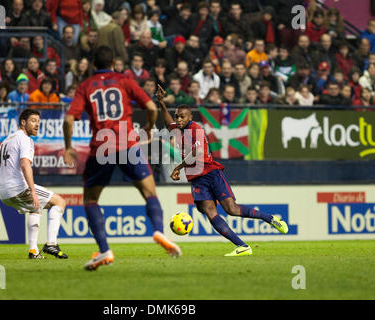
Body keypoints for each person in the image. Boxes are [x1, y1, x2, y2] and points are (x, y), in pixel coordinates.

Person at [63, 46, 181, 271]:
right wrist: (147, 125)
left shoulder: (85, 86)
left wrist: (68, 146)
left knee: (90, 199)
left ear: (94, 64)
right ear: (114, 61)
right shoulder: (124, 80)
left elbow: (69, 120)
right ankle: (158, 230)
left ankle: (104, 250)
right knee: (149, 193)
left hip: (101, 147)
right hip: (128, 144)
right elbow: (149, 106)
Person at [155, 84, 288, 256]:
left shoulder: (196, 130)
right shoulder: (179, 129)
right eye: (177, 117)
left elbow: (197, 153)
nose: (178, 120)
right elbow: (167, 123)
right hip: (197, 179)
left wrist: (178, 168)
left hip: (211, 174)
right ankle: (242, 246)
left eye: (182, 117)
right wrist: (161, 102)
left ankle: (270, 219)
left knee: (231, 209)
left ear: (190, 117)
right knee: (210, 213)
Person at [0, 108, 68, 260]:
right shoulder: (25, 139)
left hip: (2, 191)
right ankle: (51, 244)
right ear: (23, 122)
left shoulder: (7, 139)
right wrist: (33, 190)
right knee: (59, 202)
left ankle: (33, 251)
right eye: (33, 121)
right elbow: (24, 164)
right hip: (16, 188)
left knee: (36, 207)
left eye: (38, 122)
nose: (37, 125)